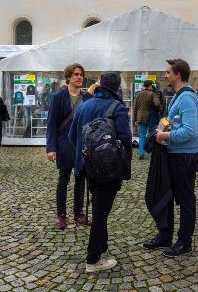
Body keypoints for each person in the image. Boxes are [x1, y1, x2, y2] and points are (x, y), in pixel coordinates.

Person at [69, 72, 132, 273]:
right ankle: (93, 259)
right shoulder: (117, 107)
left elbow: (72, 137)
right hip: (109, 168)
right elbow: (126, 139)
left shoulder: (84, 106)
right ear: (117, 87)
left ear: (100, 85)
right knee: (100, 213)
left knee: (98, 207)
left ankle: (102, 246)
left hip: (87, 167)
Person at [144, 58, 198, 258]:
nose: (165, 75)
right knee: (167, 195)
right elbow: (173, 122)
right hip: (175, 154)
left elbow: (190, 131)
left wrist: (164, 136)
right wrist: (160, 129)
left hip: (185, 156)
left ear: (178, 74)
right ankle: (165, 235)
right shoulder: (179, 95)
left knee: (186, 199)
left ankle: (184, 242)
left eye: (168, 72)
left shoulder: (186, 97)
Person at [46, 64, 92, 229]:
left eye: (81, 74)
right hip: (64, 143)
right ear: (68, 77)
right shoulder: (58, 97)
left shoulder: (87, 97)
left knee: (80, 179)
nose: (79, 77)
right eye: (76, 74)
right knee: (63, 179)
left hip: (82, 144)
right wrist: (51, 147)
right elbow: (51, 123)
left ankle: (79, 213)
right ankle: (61, 215)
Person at [133, 80, 161, 160]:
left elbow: (135, 108)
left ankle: (141, 154)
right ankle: (151, 152)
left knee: (142, 136)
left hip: (141, 118)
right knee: (151, 135)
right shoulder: (152, 94)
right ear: (149, 86)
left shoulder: (138, 94)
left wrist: (135, 119)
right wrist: (158, 108)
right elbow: (157, 104)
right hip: (151, 117)